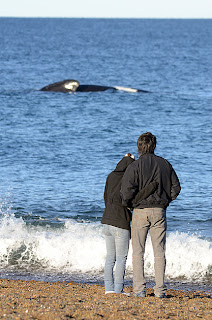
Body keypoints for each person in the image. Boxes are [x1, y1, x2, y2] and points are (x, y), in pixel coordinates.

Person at [120, 132, 181, 298]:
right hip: (159, 211)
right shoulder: (165, 164)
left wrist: (129, 204)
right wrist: (165, 200)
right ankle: (160, 291)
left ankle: (140, 290)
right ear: (154, 146)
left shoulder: (135, 166)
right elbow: (176, 188)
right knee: (159, 252)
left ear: (139, 147)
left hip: (140, 212)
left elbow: (126, 191)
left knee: (138, 252)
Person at [101, 153, 135, 294]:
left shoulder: (111, 176)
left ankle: (108, 289)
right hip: (120, 222)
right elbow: (129, 200)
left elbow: (105, 197)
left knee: (110, 258)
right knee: (121, 258)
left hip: (106, 221)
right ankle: (118, 290)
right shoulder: (128, 179)